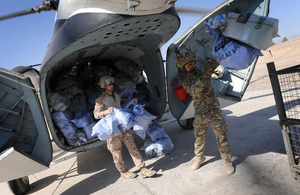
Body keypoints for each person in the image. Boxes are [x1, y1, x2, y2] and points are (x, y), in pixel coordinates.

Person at [176, 52, 235, 175]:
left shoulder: (204, 71)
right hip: (200, 113)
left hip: (214, 110)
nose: (191, 66)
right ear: (184, 69)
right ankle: (199, 158)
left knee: (222, 136)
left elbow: (215, 62)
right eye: (187, 65)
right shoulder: (187, 83)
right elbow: (195, 90)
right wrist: (205, 74)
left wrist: (221, 52)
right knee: (199, 138)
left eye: (191, 63)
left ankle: (227, 160)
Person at [93, 75, 156, 179]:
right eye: (109, 84)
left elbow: (122, 102)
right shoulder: (100, 100)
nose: (112, 86)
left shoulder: (116, 95)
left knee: (132, 146)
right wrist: (106, 112)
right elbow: (96, 114)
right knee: (116, 151)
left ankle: (142, 168)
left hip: (122, 126)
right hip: (112, 129)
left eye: (112, 83)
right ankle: (123, 171)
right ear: (104, 86)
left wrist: (132, 101)